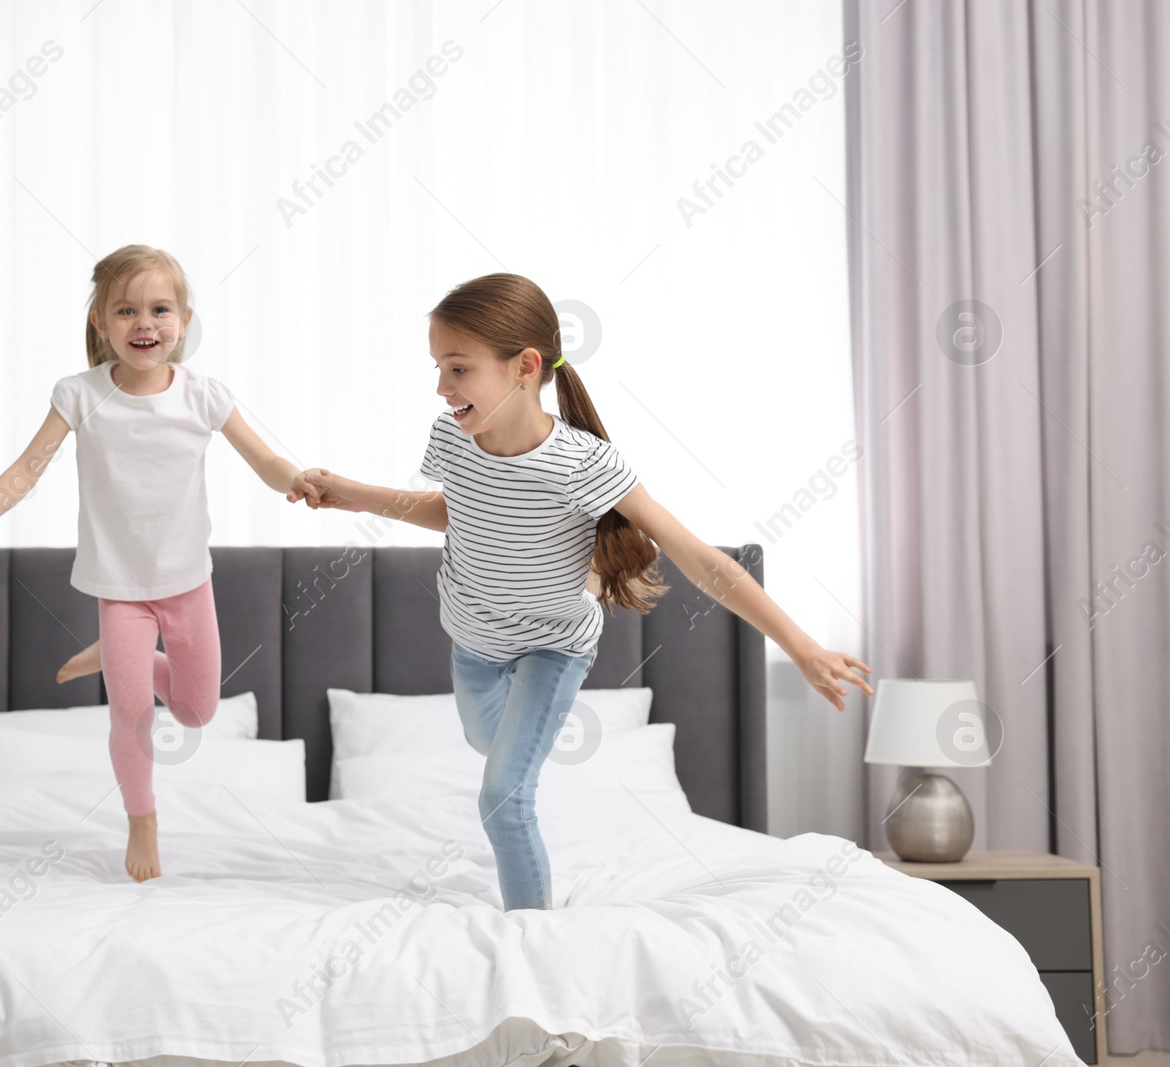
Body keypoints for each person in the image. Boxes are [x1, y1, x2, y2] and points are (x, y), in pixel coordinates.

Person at [301, 272, 873, 911]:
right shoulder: (452, 438)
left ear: (524, 367)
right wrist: (353, 492)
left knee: (503, 798)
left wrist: (802, 647)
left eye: (457, 369)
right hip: (471, 643)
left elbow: (700, 558)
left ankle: (534, 936)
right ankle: (522, 743)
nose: (441, 388)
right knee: (488, 745)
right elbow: (454, 508)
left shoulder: (583, 463)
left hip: (553, 647)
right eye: (437, 367)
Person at [0, 244, 320, 883]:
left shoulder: (204, 396)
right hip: (118, 587)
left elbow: (265, 461)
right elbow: (29, 468)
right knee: (132, 713)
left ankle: (131, 659)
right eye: (126, 311)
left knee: (199, 713)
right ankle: (141, 819)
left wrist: (299, 477)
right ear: (100, 321)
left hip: (186, 582)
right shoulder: (79, 394)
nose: (144, 323)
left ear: (184, 319)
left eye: (159, 309)